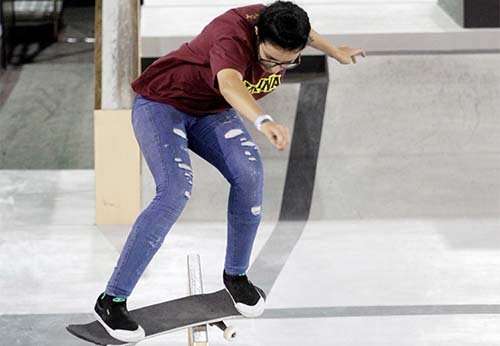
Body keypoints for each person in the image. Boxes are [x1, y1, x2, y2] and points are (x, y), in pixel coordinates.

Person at [93, 1, 366, 342]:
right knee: (175, 191)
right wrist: (263, 121)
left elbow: (305, 32)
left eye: (287, 62)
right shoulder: (230, 37)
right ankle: (111, 300)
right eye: (270, 60)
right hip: (163, 104)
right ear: (256, 36)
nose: (275, 69)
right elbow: (230, 85)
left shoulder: (280, 22)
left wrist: (334, 50)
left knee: (249, 173)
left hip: (209, 112)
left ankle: (235, 277)